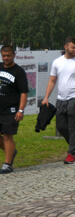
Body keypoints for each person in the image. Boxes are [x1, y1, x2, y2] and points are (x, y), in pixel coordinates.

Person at [41, 37, 75, 164]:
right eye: (72, 47)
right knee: (61, 126)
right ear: (65, 47)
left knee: (73, 126)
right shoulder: (57, 62)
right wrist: (46, 97)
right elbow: (52, 80)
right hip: (61, 99)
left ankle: (72, 153)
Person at [0, 45, 28, 174]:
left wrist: (21, 110)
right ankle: (11, 152)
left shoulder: (19, 72)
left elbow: (23, 92)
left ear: (13, 55)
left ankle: (7, 164)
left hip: (11, 110)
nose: (6, 58)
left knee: (7, 136)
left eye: (8, 56)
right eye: (4, 56)